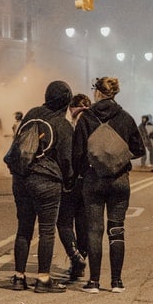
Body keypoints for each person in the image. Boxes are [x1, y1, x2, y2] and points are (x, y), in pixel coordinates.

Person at [72, 76, 145, 293]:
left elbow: (77, 153)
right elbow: (140, 150)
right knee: (117, 229)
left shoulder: (86, 119)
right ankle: (116, 282)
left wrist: (83, 170)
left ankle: (93, 282)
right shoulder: (126, 118)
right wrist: (119, 157)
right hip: (119, 180)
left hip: (93, 180)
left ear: (98, 92)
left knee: (94, 230)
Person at [8, 80, 74, 294]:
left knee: (24, 228)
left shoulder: (32, 113)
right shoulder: (62, 124)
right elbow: (66, 159)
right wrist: (69, 180)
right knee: (46, 231)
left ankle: (19, 277)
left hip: (21, 178)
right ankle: (43, 279)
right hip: (46, 180)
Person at [56, 93, 91, 281]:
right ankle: (80, 262)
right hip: (89, 179)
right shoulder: (95, 122)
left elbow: (65, 153)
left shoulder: (66, 123)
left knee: (63, 222)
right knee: (83, 222)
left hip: (70, 180)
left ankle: (75, 256)